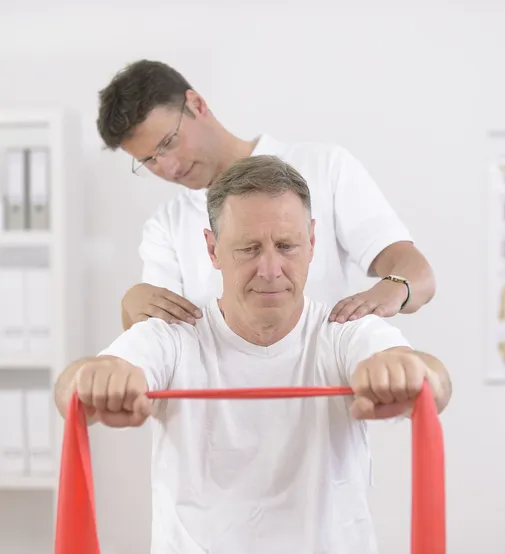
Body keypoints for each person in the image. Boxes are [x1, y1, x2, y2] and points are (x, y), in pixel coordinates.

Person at [54, 155, 451, 554]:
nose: (270, 268)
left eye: (286, 246)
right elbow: (70, 389)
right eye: (248, 249)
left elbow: (436, 384)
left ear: (311, 244)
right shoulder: (173, 336)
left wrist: (407, 371)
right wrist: (98, 377)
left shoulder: (344, 332)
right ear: (212, 250)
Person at [95, 59, 436, 331]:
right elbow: (150, 335)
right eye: (149, 160)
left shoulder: (325, 168)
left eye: (168, 143)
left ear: (197, 105)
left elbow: (416, 273)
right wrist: (131, 304)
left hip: (320, 409)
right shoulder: (166, 225)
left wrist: (395, 289)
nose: (167, 168)